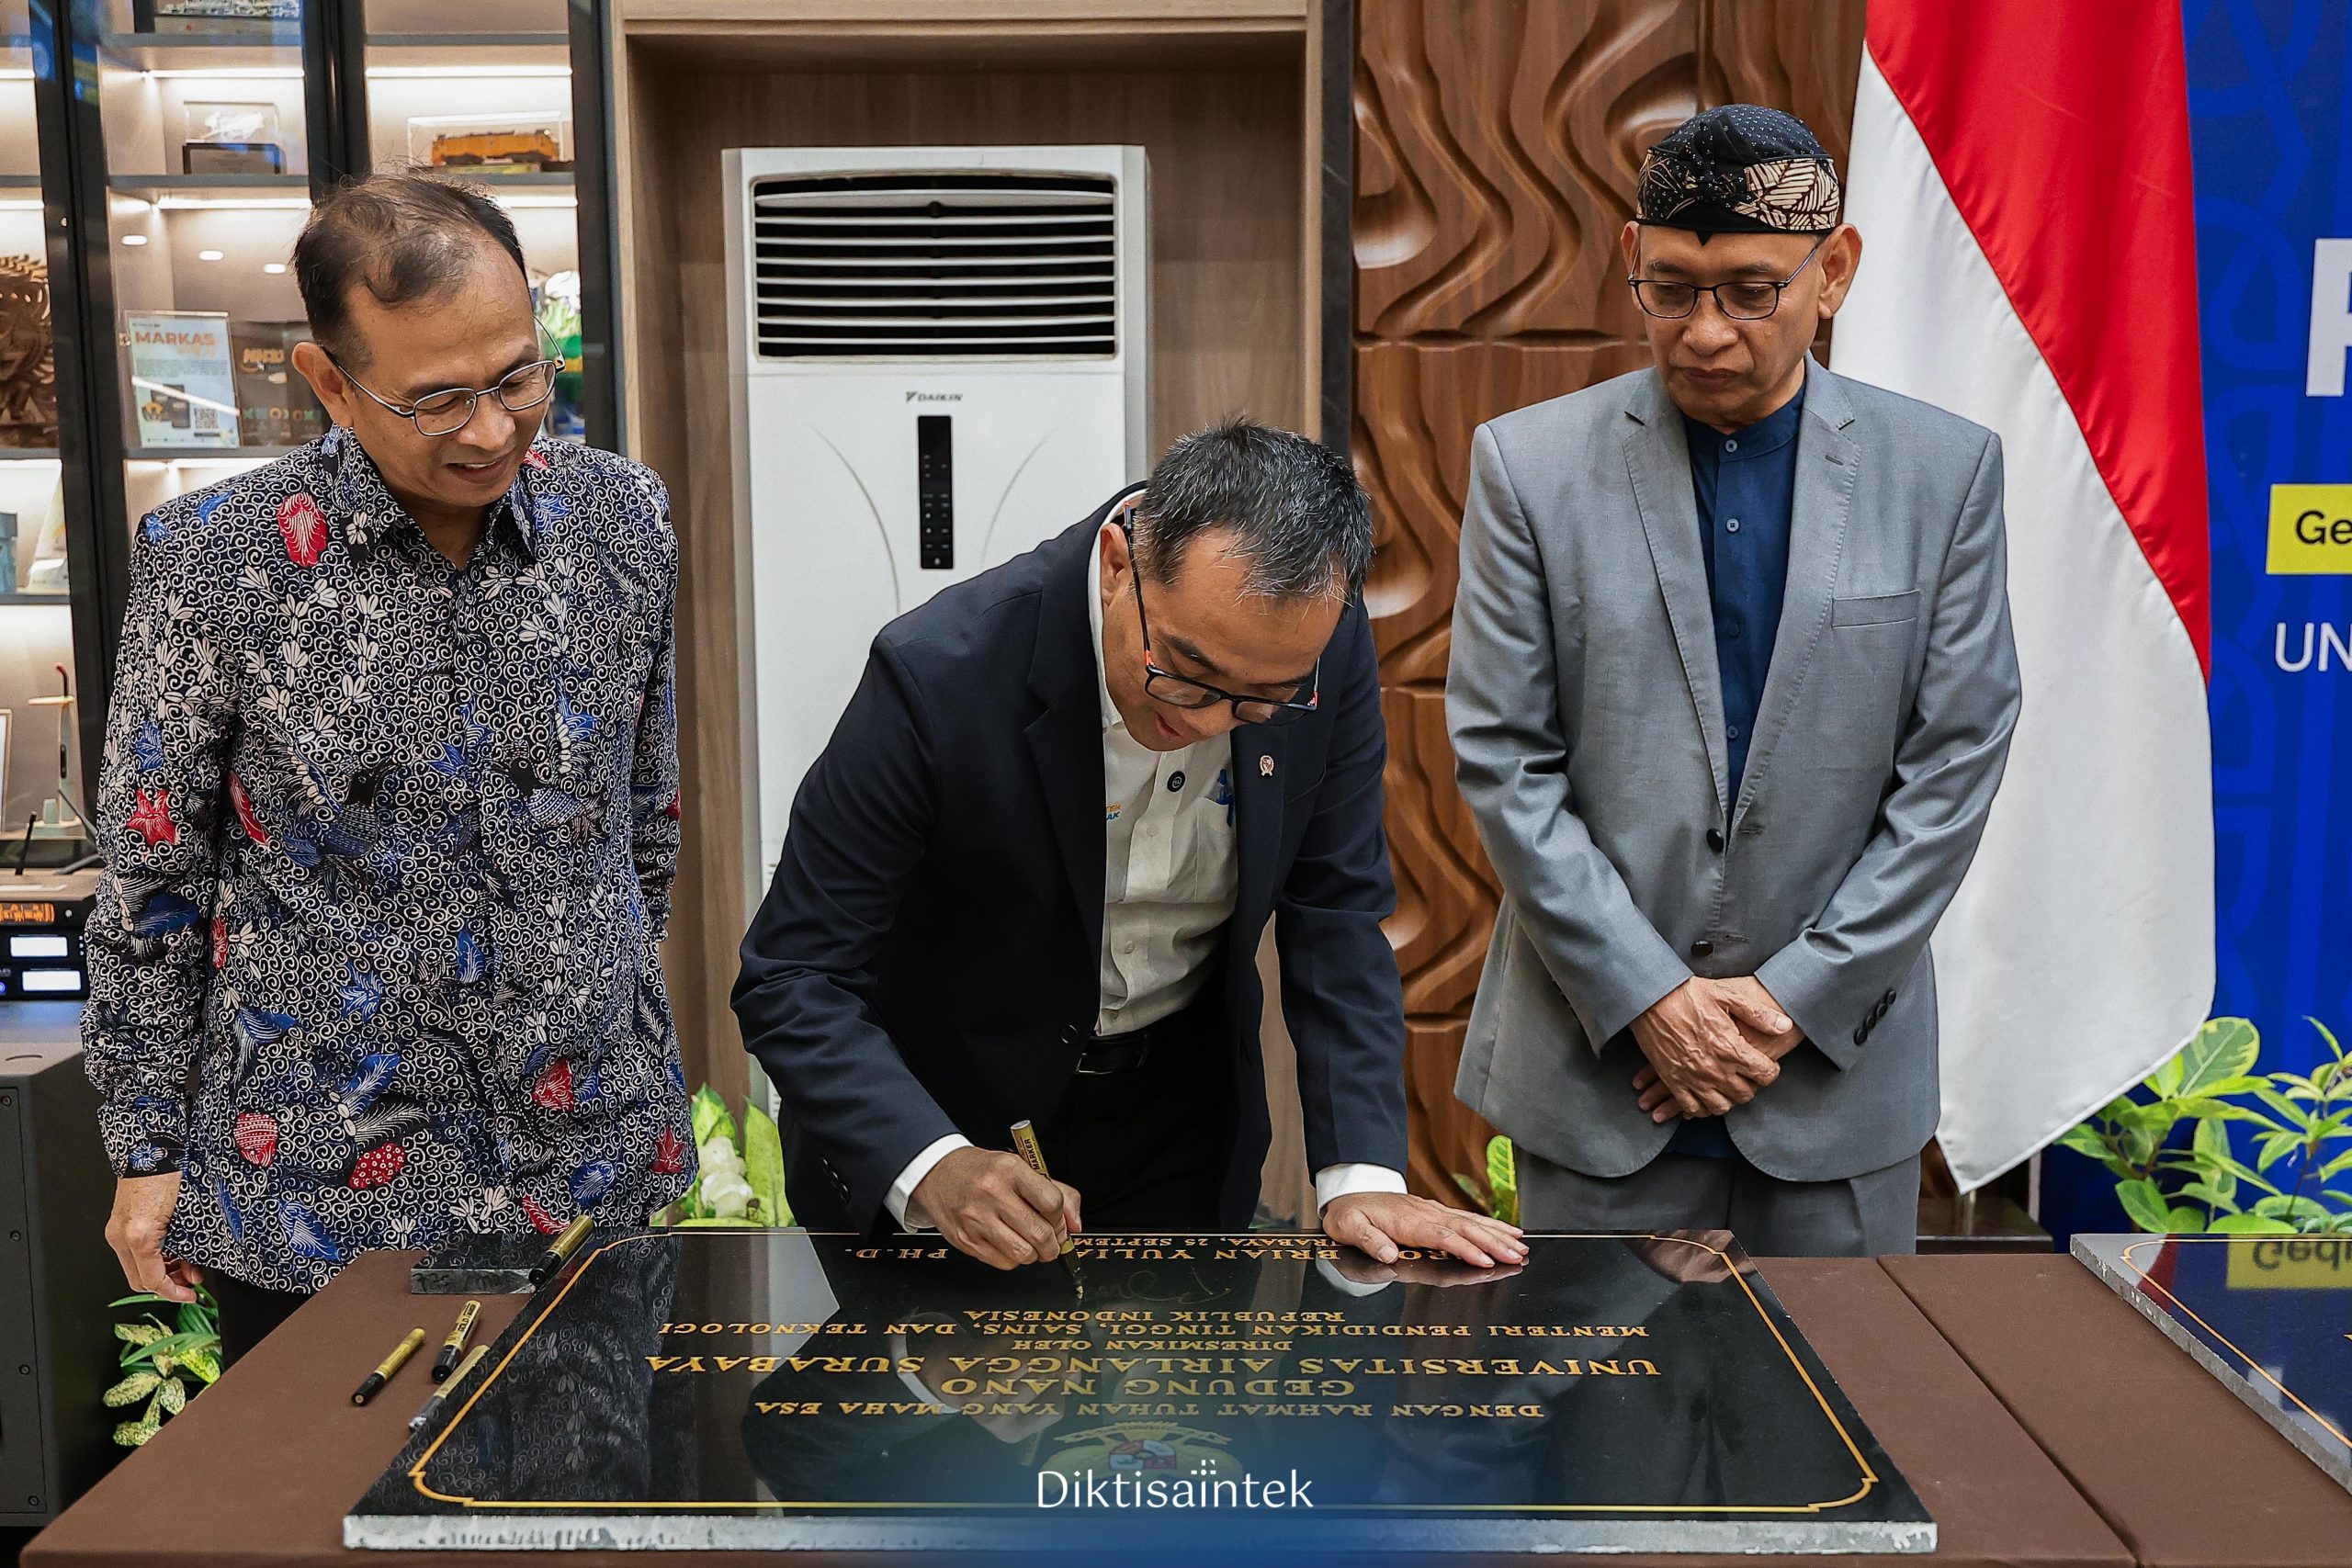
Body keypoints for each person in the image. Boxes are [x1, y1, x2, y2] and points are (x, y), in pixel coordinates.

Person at [85, 170, 694, 1360]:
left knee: (598, 1523)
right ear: (329, 380)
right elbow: (152, 877)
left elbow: (645, 816)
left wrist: (590, 1001)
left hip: (598, 1174)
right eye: (439, 398)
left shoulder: (623, 518)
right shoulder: (218, 563)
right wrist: (145, 1146)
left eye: (520, 374)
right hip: (326, 1196)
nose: (492, 427)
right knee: (333, 1532)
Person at [735, 418, 1523, 1273]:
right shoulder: (939, 675)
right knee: (944, 1406)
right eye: (1182, 670)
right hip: (948, 1118)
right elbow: (794, 973)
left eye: (1259, 702)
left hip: (1176, 1125)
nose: (1205, 721)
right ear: (1120, 563)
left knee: (1172, 1408)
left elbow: (1333, 907)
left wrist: (1360, 1172)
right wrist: (934, 1164)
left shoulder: (1314, 655)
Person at [1447, 106, 2022, 1256]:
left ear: (1835, 273)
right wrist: (1650, 1000)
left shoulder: (1945, 472)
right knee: (1599, 1432)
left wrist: (1787, 1000)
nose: (1705, 332)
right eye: (1671, 289)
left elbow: (1954, 761)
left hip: (1829, 1083)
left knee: (1842, 1430)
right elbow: (1503, 759)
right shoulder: (1528, 466)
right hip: (1601, 1078)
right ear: (1629, 262)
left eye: (1751, 292)